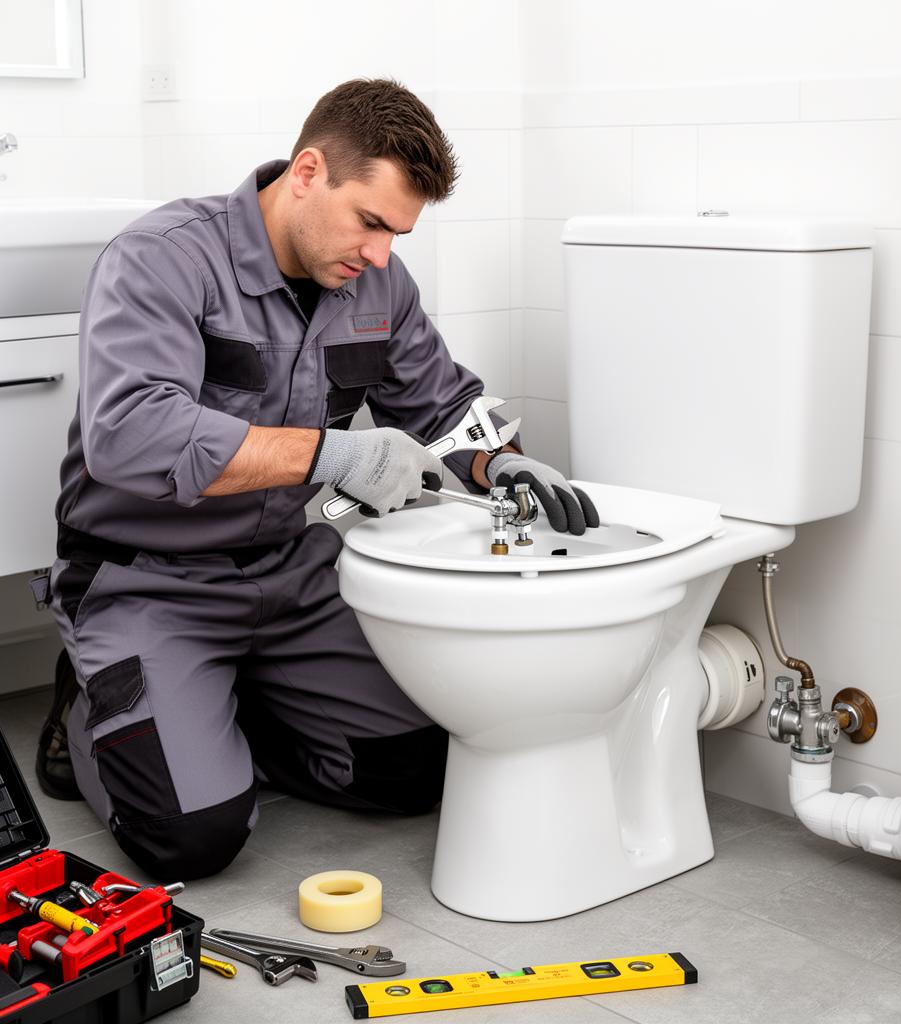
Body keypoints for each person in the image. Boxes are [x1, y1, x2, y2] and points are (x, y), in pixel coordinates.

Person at [34, 79, 599, 880]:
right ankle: (91, 706)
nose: (379, 254)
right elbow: (128, 436)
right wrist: (331, 457)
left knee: (421, 768)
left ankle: (216, 714)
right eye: (370, 222)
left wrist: (498, 458)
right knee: (192, 839)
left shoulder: (377, 284)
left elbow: (443, 404)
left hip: (289, 574)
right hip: (148, 580)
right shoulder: (161, 259)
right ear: (306, 172)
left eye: (397, 234)